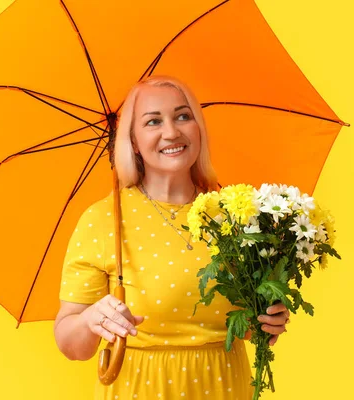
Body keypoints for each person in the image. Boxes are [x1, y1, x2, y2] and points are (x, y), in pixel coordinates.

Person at [53, 76, 290, 399]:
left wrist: (268, 319)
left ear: (198, 127)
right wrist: (90, 321)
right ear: (133, 141)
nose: (171, 132)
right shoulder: (103, 219)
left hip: (224, 387)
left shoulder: (236, 215)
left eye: (183, 116)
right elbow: (71, 345)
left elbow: (247, 326)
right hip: (139, 390)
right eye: (153, 121)